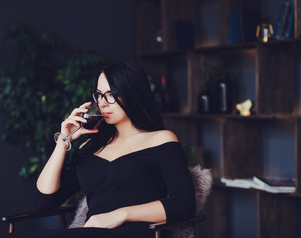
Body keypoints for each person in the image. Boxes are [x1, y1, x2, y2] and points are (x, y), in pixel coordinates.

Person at [29, 61, 195, 238]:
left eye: (111, 94)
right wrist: (63, 141)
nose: (102, 103)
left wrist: (119, 215)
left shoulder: (161, 139)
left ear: (133, 94)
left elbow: (184, 204)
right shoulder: (90, 147)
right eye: (99, 95)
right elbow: (44, 202)